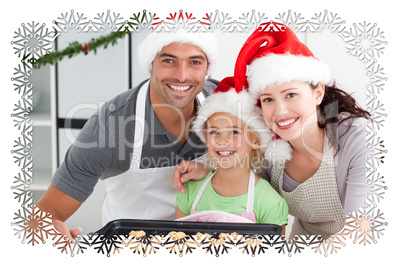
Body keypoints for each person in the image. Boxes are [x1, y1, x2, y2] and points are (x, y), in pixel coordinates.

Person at [172, 21, 370, 239]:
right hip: (299, 246)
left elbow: (360, 230)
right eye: (268, 99)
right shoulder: (271, 146)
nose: (280, 111)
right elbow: (234, 154)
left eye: (291, 94)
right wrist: (205, 168)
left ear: (318, 93)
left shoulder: (356, 136)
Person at [36, 28, 220, 241]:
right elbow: (43, 216)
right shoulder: (111, 125)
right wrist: (50, 232)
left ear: (208, 68)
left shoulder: (226, 104)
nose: (182, 75)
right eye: (169, 61)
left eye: (195, 62)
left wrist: (210, 170)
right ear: (151, 65)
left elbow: (255, 178)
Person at [175, 87, 289, 234]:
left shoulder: (269, 202)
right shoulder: (189, 190)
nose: (222, 141)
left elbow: (273, 255)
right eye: (214, 132)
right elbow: (178, 247)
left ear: (255, 140)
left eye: (234, 132)